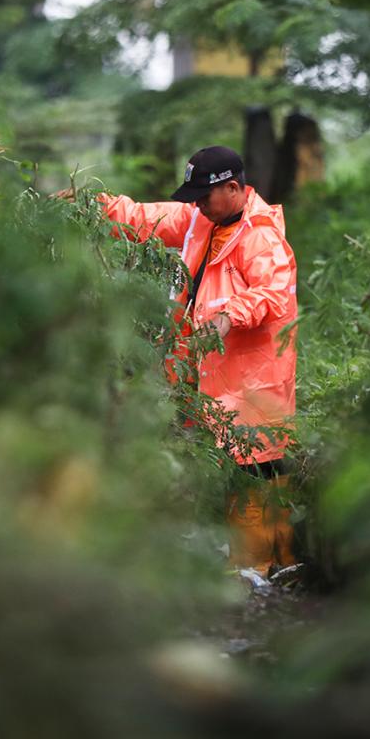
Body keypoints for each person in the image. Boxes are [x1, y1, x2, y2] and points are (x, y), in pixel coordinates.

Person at [67, 146, 298, 576]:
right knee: (228, 466)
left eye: (203, 196)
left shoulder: (260, 236)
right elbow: (145, 218)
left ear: (233, 188)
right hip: (213, 375)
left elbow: (272, 292)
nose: (196, 205)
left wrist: (230, 316)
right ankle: (256, 569)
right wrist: (93, 204)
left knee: (257, 467)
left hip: (252, 379)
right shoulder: (202, 220)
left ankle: (261, 573)